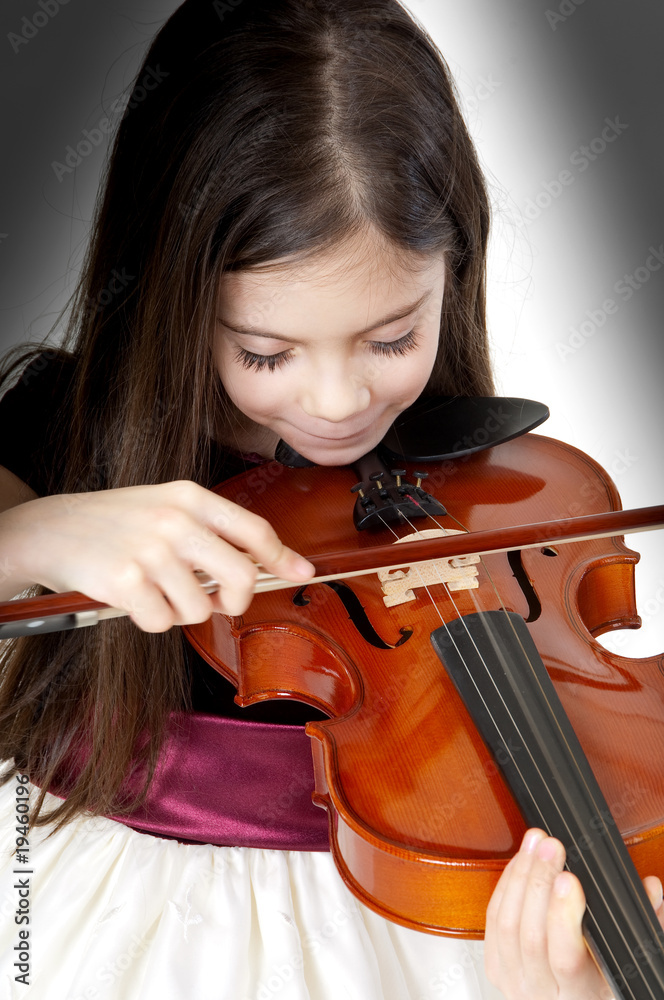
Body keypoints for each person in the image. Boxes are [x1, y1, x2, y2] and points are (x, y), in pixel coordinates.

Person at [0, 1, 661, 998]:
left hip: (435, 916)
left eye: (392, 338)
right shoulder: (62, 430)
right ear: (176, 293)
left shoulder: (505, 484)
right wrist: (32, 533)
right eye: (267, 353)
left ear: (454, 268)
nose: (340, 403)